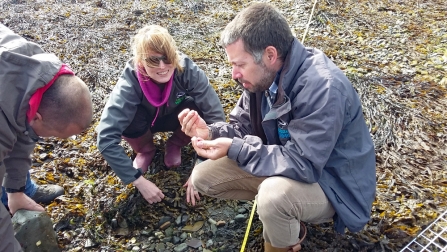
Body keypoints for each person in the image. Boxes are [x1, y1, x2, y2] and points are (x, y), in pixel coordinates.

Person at [178, 3, 376, 252]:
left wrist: (237, 149)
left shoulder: (324, 88)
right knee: (204, 177)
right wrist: (211, 133)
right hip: (290, 165)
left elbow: (304, 163)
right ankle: (285, 217)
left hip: (334, 184)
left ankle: (282, 233)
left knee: (273, 197)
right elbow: (242, 127)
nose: (234, 74)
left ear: (270, 55)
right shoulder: (260, 79)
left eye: (239, 64)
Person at [96, 25, 225, 205]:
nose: (163, 66)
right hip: (143, 122)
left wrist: (201, 166)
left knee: (199, 111)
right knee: (127, 119)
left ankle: (176, 143)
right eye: (153, 60)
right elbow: (105, 138)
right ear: (140, 61)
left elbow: (216, 118)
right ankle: (145, 149)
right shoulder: (130, 81)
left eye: (167, 58)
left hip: (175, 116)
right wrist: (138, 181)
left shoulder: (187, 70)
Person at [0, 23, 93, 251]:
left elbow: (24, 128)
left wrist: (15, 189)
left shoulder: (40, 73)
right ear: (38, 117)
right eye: (51, 135)